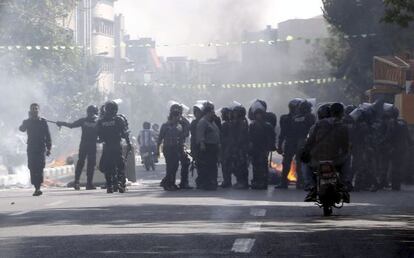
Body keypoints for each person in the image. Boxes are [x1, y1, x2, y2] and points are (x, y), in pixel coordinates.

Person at [303, 103, 350, 202]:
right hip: (335, 159)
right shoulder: (343, 126)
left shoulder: (318, 124)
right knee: (347, 158)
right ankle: (344, 184)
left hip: (317, 159)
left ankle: (311, 186)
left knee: (305, 162)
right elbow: (345, 146)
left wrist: (306, 152)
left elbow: (310, 141)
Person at [56, 105, 99, 190]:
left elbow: (71, 125)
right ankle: (87, 183)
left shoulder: (84, 121)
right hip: (91, 145)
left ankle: (78, 182)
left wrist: (61, 123)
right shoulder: (97, 122)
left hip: (84, 145)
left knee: (81, 163)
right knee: (89, 164)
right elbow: (71, 125)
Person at [97, 101, 132, 194]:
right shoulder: (118, 120)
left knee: (107, 166)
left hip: (107, 147)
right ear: (115, 109)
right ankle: (121, 183)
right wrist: (129, 144)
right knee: (120, 166)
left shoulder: (101, 121)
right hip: (116, 146)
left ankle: (109, 186)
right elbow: (125, 134)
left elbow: (98, 137)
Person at [19, 103, 52, 196]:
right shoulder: (27, 121)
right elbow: (21, 129)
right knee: (32, 167)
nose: (35, 110)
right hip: (31, 148)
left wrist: (49, 148)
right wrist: (27, 121)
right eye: (33, 109)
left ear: (39, 110)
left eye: (36, 109)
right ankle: (35, 186)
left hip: (41, 148)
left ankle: (38, 187)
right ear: (30, 110)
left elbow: (48, 135)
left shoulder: (43, 121)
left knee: (40, 167)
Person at [276, 99, 301, 189]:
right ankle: (284, 182)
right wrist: (279, 146)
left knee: (299, 163)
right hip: (292, 142)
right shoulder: (285, 118)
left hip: (298, 142)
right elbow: (282, 133)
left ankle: (299, 182)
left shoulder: (303, 118)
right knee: (287, 164)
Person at [249, 103, 275, 190]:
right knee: (255, 165)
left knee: (263, 165)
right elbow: (250, 137)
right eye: (256, 114)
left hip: (263, 148)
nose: (258, 116)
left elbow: (271, 137)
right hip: (255, 148)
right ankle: (256, 181)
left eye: (259, 114)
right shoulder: (252, 125)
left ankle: (263, 182)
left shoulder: (267, 126)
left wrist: (270, 147)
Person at [196, 102, 221, 190]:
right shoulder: (203, 122)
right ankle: (206, 183)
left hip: (214, 147)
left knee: (213, 165)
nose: (213, 113)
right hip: (207, 147)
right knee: (207, 166)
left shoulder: (212, 122)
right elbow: (200, 134)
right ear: (208, 112)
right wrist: (202, 144)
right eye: (212, 111)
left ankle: (213, 181)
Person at [157, 110, 182, 191]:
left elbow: (180, 138)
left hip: (176, 148)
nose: (179, 118)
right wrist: (157, 150)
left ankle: (172, 183)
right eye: (178, 116)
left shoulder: (179, 126)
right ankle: (167, 184)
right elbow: (160, 138)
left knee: (175, 166)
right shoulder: (165, 126)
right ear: (174, 116)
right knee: (170, 166)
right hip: (168, 148)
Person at [170, 103, 192, 189]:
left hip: (179, 145)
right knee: (173, 165)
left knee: (185, 163)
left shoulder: (182, 121)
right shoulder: (171, 122)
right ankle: (171, 182)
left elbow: (187, 132)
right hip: (173, 146)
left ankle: (183, 182)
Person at [229, 105, 249, 189]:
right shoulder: (238, 121)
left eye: (236, 112)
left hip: (240, 147)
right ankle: (240, 181)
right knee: (236, 165)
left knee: (240, 165)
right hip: (237, 147)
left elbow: (240, 136)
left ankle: (242, 182)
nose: (234, 114)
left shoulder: (242, 122)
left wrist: (237, 145)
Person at [220, 107, 233, 188]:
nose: (221, 116)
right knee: (227, 165)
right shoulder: (230, 124)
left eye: (222, 114)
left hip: (226, 147)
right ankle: (227, 180)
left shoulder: (225, 125)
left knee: (225, 165)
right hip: (228, 147)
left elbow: (224, 137)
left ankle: (227, 181)